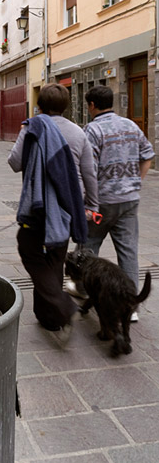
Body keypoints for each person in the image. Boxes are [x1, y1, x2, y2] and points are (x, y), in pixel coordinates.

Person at [8, 84, 97, 343]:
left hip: (38, 206)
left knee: (29, 250)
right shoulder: (78, 132)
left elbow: (14, 163)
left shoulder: (33, 127)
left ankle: (63, 307)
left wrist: (26, 142)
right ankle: (49, 317)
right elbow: (89, 173)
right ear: (66, 106)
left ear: (40, 105)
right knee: (56, 259)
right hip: (68, 205)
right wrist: (91, 205)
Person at [83, 85, 155, 321]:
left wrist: (88, 202)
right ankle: (130, 306)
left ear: (92, 105)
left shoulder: (92, 130)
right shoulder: (131, 125)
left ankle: (82, 291)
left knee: (87, 247)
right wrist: (136, 182)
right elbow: (148, 154)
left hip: (103, 201)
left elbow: (89, 170)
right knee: (128, 252)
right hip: (129, 200)